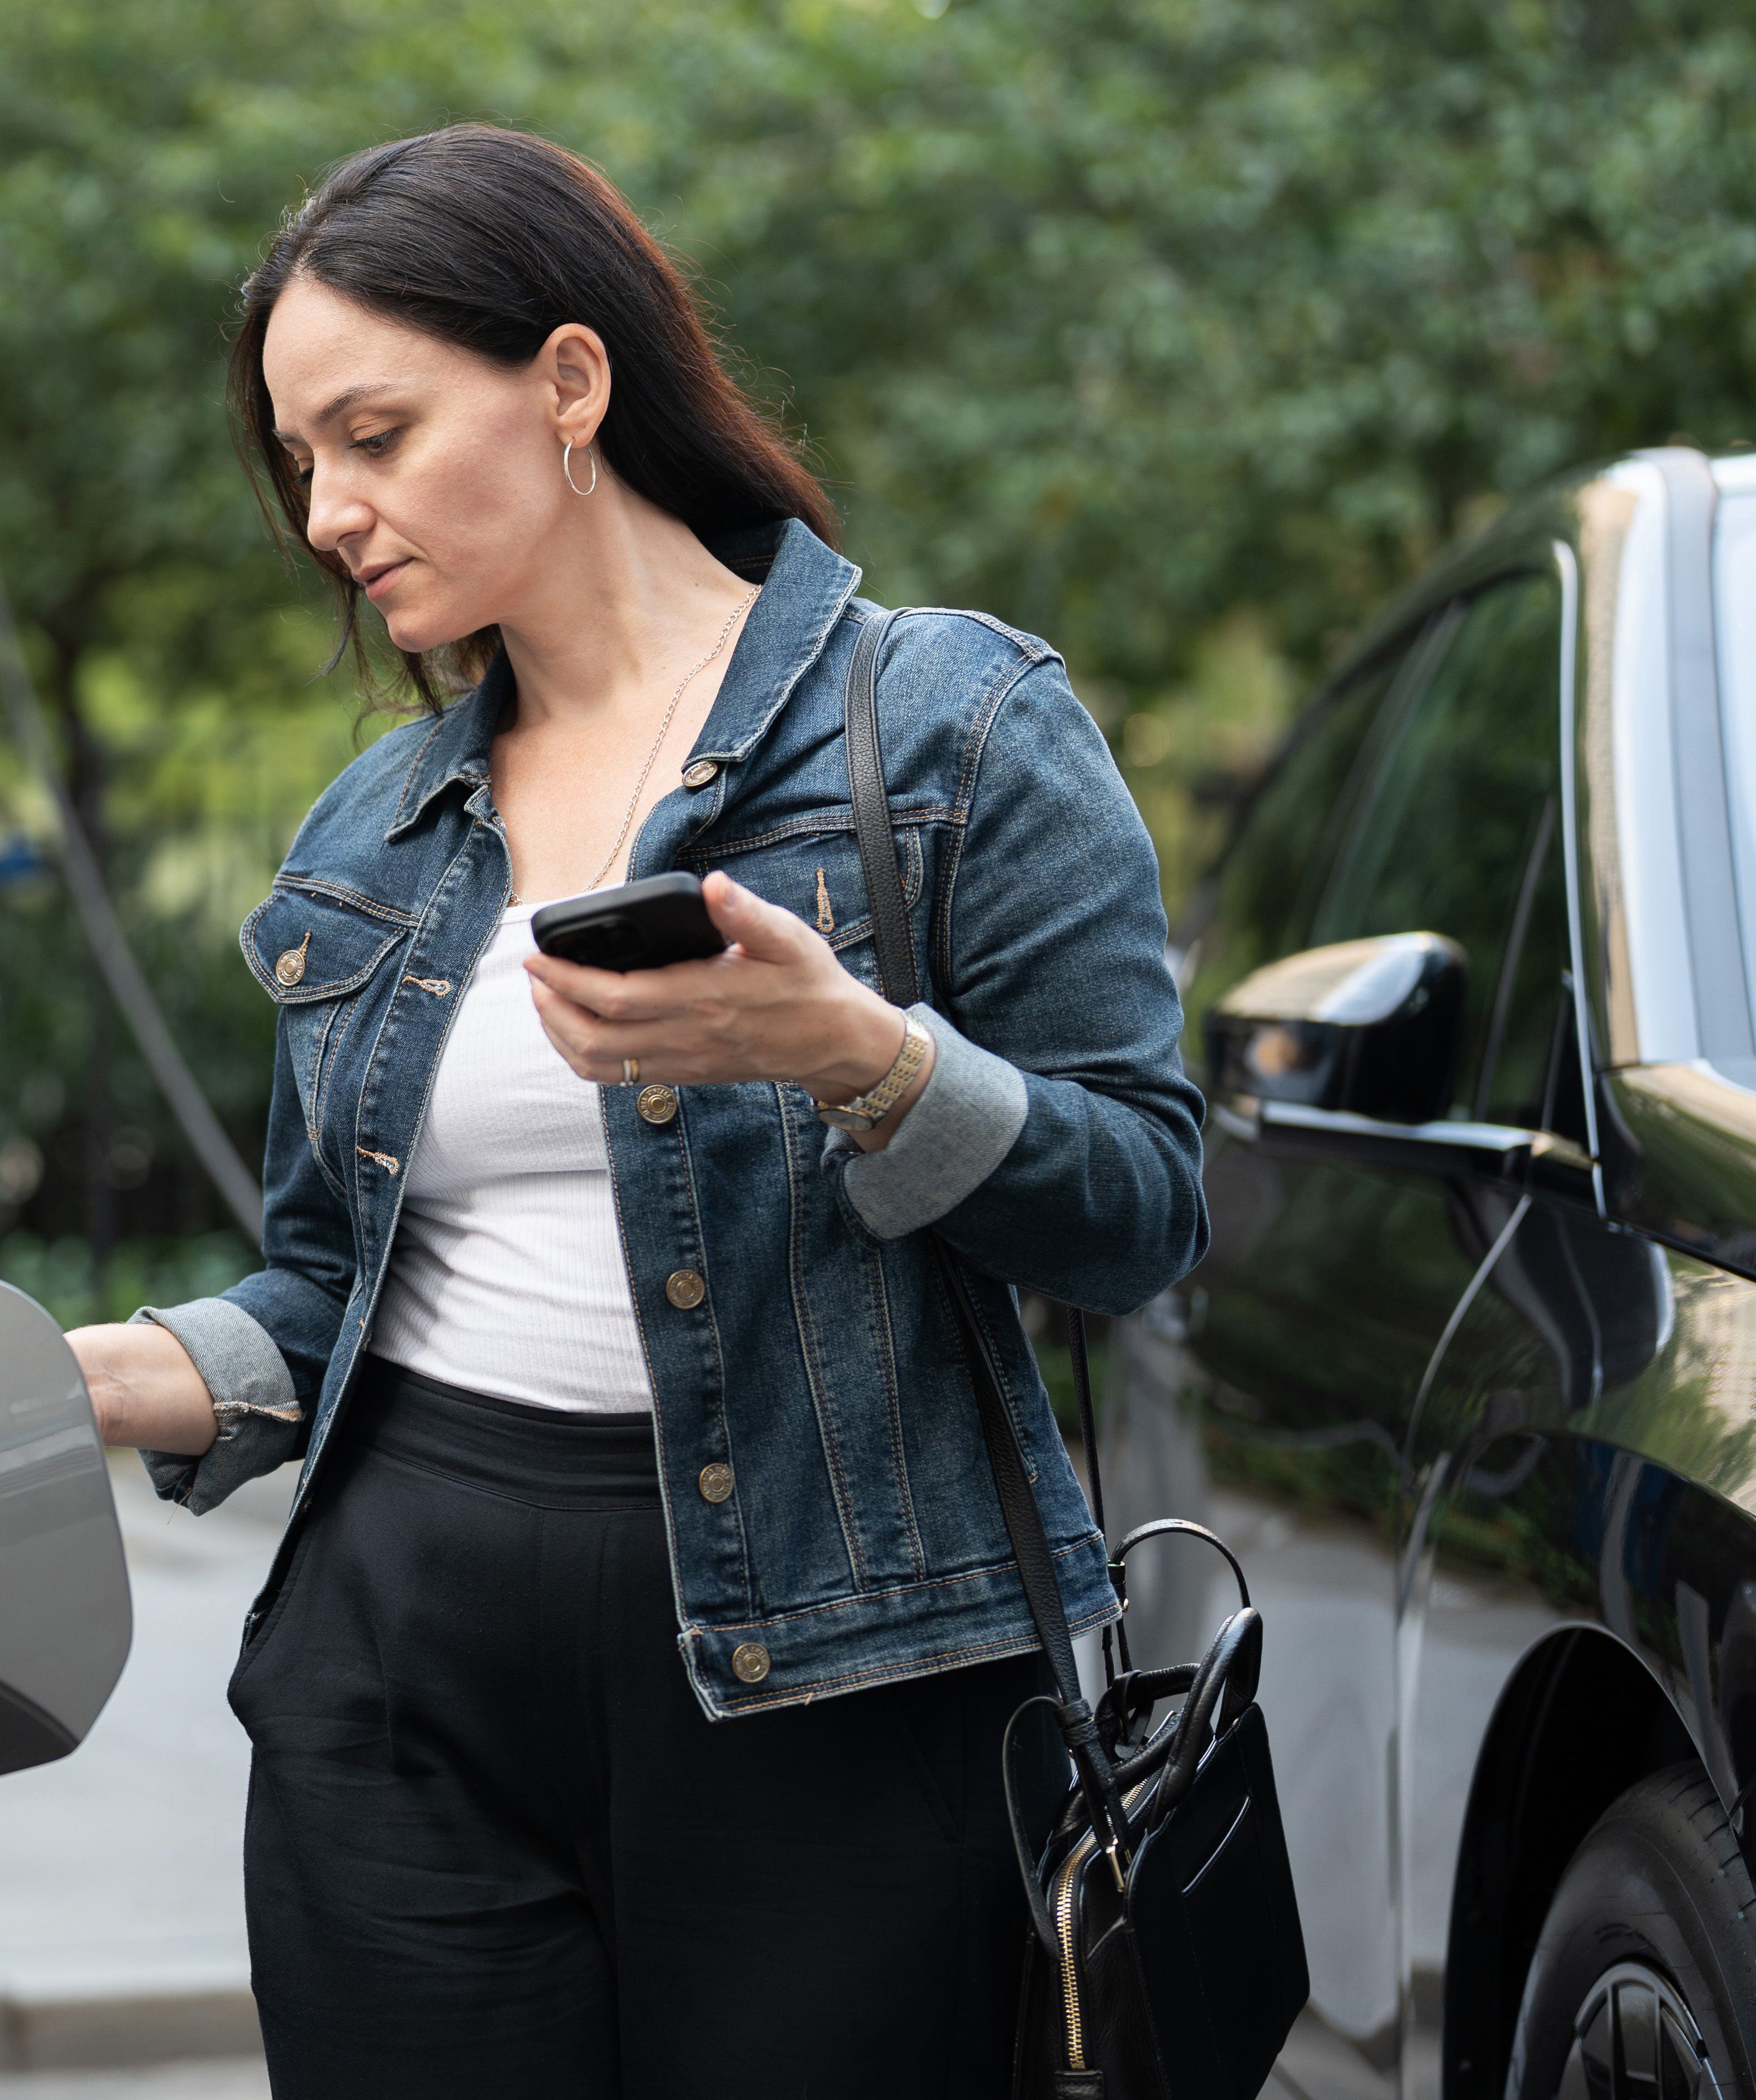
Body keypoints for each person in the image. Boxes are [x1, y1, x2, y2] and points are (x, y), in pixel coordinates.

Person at [64, 124, 1206, 2097]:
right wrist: (80, 1377)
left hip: (842, 1690)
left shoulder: (949, 728)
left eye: (374, 435)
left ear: (571, 383)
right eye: (302, 462)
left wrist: (862, 1058)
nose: (328, 513)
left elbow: (1143, 1209)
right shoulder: (377, 825)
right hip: (397, 1670)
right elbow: (330, 1290)